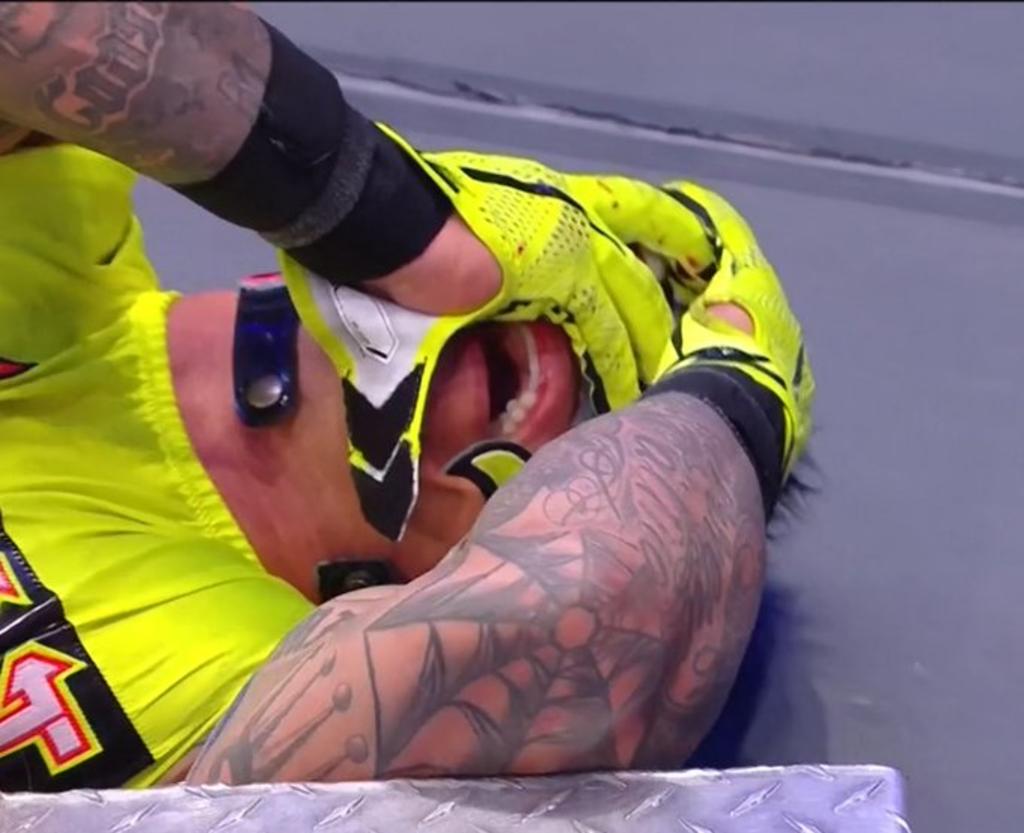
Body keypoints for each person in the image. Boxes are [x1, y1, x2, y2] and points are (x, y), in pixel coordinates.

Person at [0, 2, 815, 790]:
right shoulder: (51, 233)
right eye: (580, 269)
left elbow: (582, 616)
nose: (552, 324)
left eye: (600, 416)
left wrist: (732, 403)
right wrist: (377, 206)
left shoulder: (224, 678)